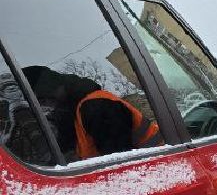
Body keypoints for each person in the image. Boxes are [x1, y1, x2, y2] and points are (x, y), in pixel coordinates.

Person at [22, 65, 160, 160]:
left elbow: (120, 161)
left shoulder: (98, 107)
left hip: (157, 162)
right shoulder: (72, 110)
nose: (45, 105)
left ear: (53, 89)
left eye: (44, 100)